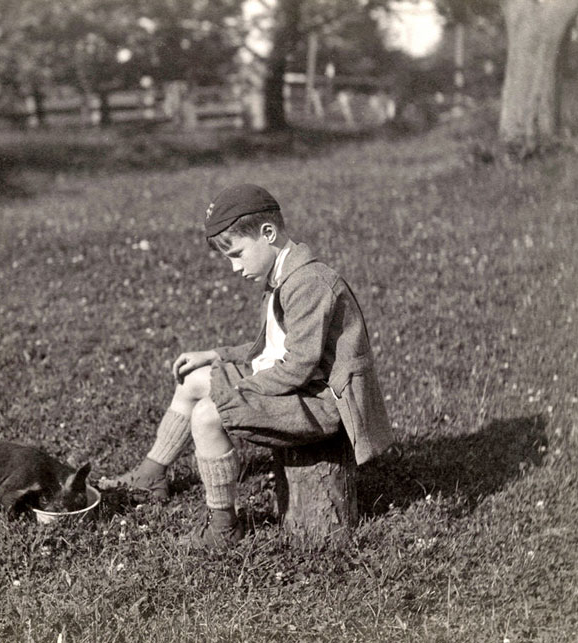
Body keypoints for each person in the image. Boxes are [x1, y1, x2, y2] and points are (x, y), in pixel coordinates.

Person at [100, 184, 394, 548]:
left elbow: (298, 367)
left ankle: (224, 528)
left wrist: (233, 393)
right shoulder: (285, 275)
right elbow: (274, 349)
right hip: (297, 386)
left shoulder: (309, 284)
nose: (235, 268)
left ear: (267, 233)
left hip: (322, 402)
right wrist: (216, 355)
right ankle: (151, 475)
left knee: (208, 415)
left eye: (237, 254)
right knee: (193, 381)